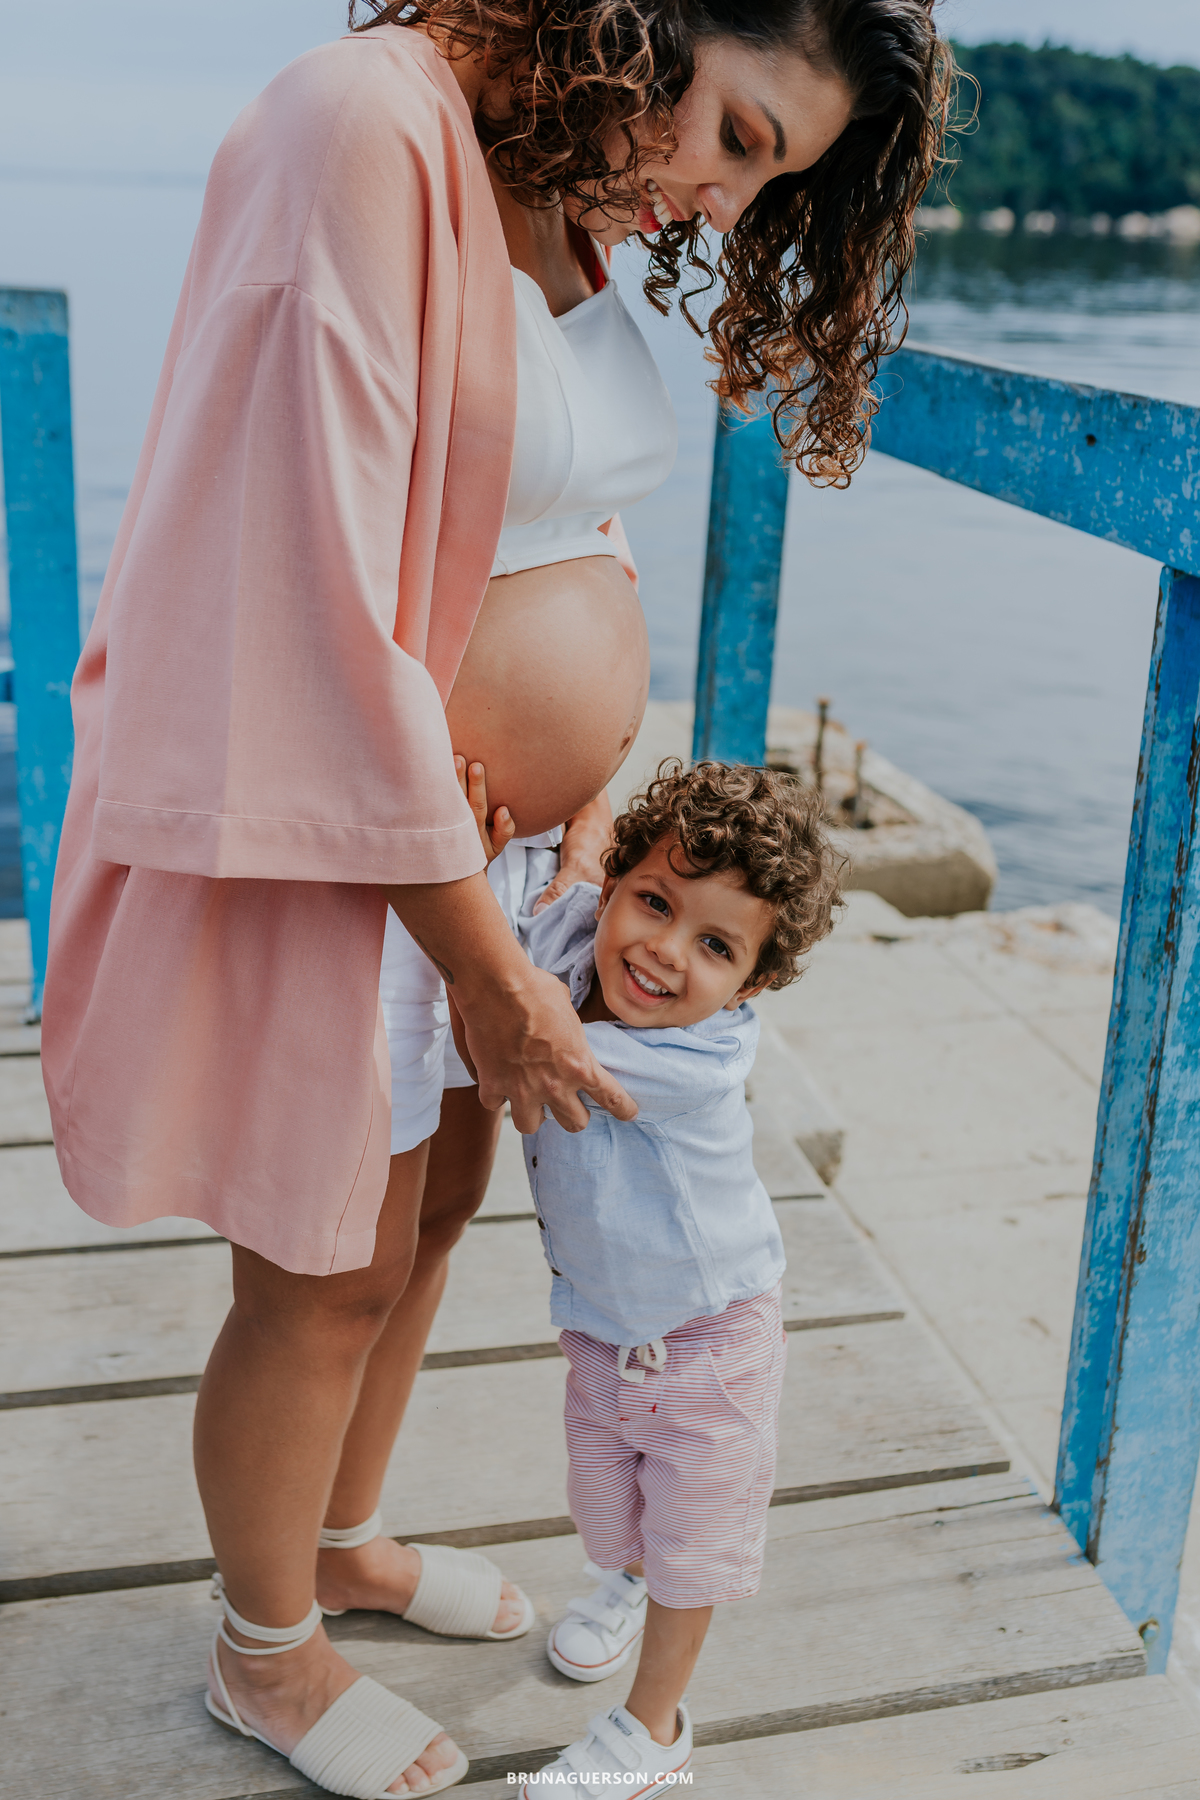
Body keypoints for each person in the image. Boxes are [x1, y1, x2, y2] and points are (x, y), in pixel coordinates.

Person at [40, 3, 951, 1794]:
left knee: (439, 1215)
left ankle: (337, 1539)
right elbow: (304, 558)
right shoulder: (359, 130)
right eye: (741, 136)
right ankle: (264, 1654)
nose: (712, 201)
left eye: (764, 184)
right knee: (321, 1269)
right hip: (363, 857)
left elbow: (573, 505)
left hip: (516, 859)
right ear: (650, 12)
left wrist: (589, 788)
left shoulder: (575, 185)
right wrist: (474, 946)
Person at [510, 760, 841, 1795]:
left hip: (712, 1342)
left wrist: (531, 916)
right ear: (618, 885)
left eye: (715, 946)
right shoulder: (582, 940)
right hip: (605, 1323)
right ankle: (630, 1578)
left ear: (752, 985)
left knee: (694, 1536)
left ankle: (653, 1736)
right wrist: (550, 848)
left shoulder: (691, 1064)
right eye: (653, 901)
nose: (660, 953)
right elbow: (543, 921)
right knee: (608, 1509)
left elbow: (524, 1014)